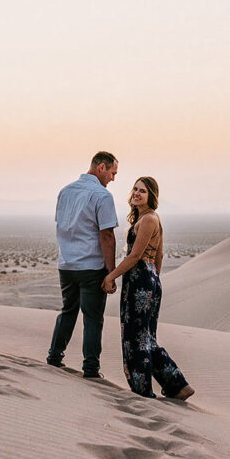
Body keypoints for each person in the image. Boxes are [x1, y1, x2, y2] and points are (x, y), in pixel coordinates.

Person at [102, 177, 194, 400]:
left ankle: (143, 392)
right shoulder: (148, 218)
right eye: (135, 189)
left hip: (140, 280)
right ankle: (176, 385)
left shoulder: (149, 219)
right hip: (146, 279)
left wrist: (111, 276)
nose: (137, 193)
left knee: (137, 338)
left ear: (151, 195)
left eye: (142, 191)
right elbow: (159, 255)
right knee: (145, 337)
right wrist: (154, 279)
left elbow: (135, 255)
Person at [47, 151, 119, 378]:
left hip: (66, 264)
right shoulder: (102, 196)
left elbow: (61, 226)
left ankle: (54, 357)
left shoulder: (65, 191)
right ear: (101, 168)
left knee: (68, 311)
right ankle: (90, 369)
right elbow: (106, 234)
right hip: (91, 266)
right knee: (93, 318)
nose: (113, 179)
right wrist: (111, 271)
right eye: (112, 173)